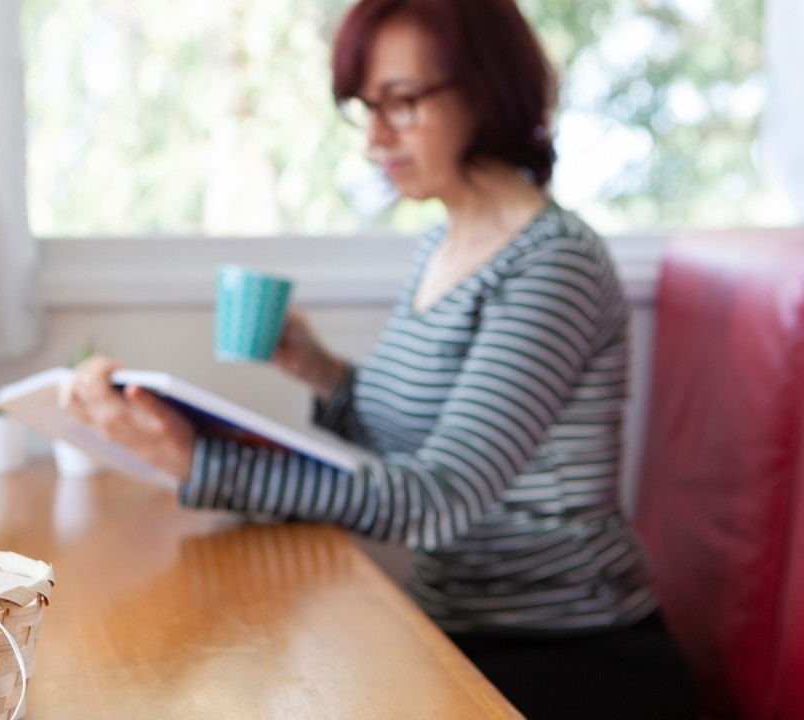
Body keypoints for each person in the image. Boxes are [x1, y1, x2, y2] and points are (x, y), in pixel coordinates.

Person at [61, 0, 696, 717]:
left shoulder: (554, 265)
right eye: (365, 108)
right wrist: (320, 371)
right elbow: (411, 449)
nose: (374, 139)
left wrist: (202, 466)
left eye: (399, 103)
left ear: (486, 88)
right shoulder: (443, 247)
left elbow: (434, 501)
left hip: (574, 652)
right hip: (458, 630)